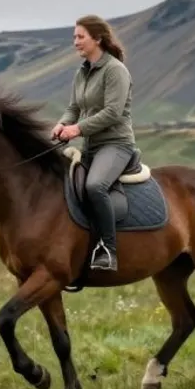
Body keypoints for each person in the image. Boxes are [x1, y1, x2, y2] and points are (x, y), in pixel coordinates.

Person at [50, 15, 136, 272]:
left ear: (97, 39)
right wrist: (62, 124)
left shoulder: (115, 70)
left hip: (116, 144)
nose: (75, 42)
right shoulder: (83, 72)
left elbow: (113, 112)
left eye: (80, 37)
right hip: (91, 147)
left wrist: (77, 128)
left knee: (95, 185)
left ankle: (108, 250)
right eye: (74, 37)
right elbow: (74, 107)